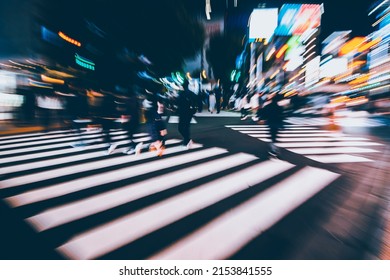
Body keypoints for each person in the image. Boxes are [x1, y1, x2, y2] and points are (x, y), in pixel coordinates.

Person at [260, 93, 284, 157]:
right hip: (276, 123)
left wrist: (262, 119)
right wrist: (282, 125)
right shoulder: (279, 107)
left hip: (270, 122)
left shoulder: (268, 106)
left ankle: (273, 148)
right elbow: (281, 116)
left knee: (272, 135)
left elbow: (263, 113)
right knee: (274, 136)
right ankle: (273, 149)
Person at [177, 79, 197, 149]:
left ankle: (187, 140)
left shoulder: (181, 93)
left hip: (182, 112)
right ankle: (187, 140)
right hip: (189, 112)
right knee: (186, 127)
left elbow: (177, 103)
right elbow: (197, 100)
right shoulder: (191, 93)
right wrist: (194, 108)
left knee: (181, 128)